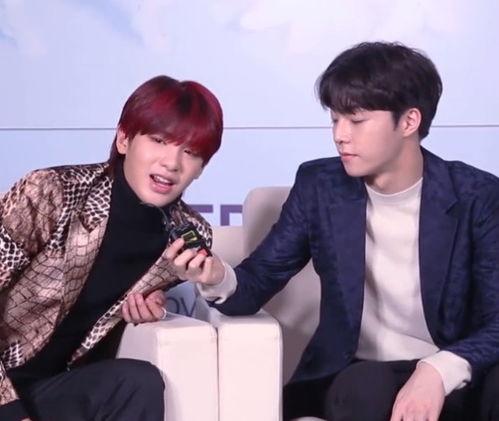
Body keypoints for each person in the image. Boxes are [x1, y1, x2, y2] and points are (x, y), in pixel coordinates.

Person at [169, 42, 499, 420]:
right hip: (358, 374)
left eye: (356, 121)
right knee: (366, 388)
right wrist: (216, 277)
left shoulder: (476, 195)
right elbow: (258, 280)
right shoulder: (320, 186)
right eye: (334, 119)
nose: (340, 135)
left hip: (452, 370)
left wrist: (438, 369)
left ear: (409, 122)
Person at [0, 74, 223, 420]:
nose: (172, 162)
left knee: (138, 383)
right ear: (124, 139)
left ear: (201, 168)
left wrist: (153, 307)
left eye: (191, 152)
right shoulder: (51, 192)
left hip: (52, 390)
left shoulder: (187, 238)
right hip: (7, 390)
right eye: (159, 140)